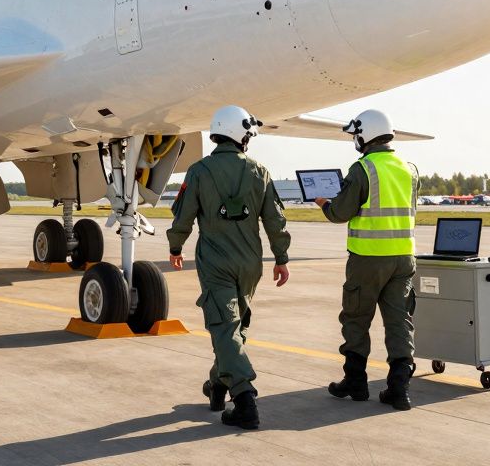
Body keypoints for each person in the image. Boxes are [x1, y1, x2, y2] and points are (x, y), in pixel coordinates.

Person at [167, 105, 292, 430]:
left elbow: (183, 216)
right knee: (233, 328)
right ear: (242, 135)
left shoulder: (198, 171)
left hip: (216, 262)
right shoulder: (260, 171)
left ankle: (244, 397)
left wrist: (176, 246)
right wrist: (281, 258)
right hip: (251, 263)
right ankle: (218, 385)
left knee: (224, 327)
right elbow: (276, 221)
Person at [313, 108, 418, 411]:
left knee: (357, 318)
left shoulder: (363, 169)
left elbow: (340, 213)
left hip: (369, 258)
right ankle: (399, 387)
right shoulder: (409, 168)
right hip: (403, 258)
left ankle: (356, 382)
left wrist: (324, 203)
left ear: (364, 135)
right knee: (399, 321)